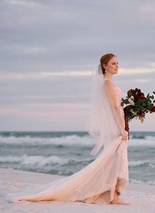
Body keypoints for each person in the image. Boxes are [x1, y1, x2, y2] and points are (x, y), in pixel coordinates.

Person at [9, 53, 130, 205]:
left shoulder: (108, 84)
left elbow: (118, 108)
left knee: (113, 162)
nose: (116, 66)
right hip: (116, 128)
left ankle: (112, 194)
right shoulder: (107, 84)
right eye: (113, 63)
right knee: (114, 162)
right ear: (105, 66)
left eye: (117, 63)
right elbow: (115, 107)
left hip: (116, 126)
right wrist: (122, 128)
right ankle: (114, 195)